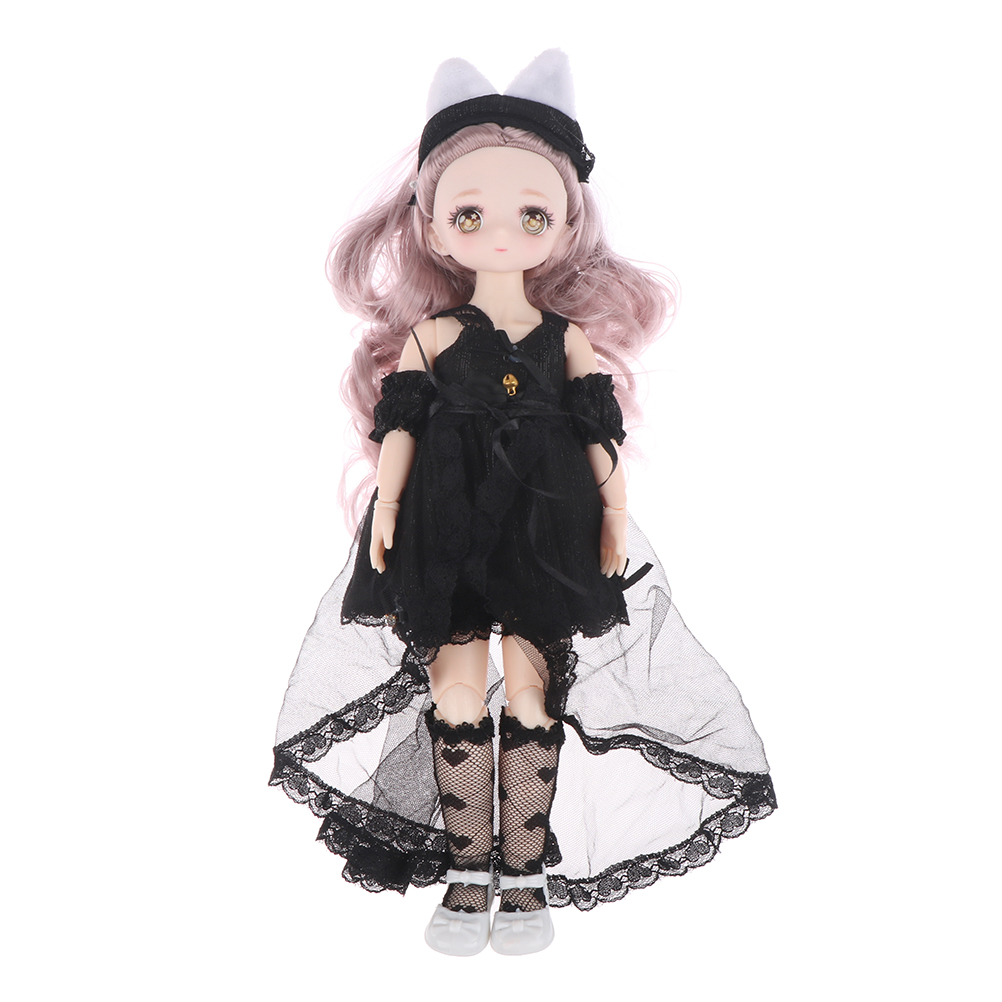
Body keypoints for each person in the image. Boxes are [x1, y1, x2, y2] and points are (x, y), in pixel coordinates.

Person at [271, 50, 776, 957]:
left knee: (536, 692)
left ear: (566, 223)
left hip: (545, 526)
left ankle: (527, 872)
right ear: (431, 225)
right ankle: (470, 872)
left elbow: (598, 437)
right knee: (455, 687)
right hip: (444, 526)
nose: (501, 234)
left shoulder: (565, 340)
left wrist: (613, 516)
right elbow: (401, 431)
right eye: (470, 213)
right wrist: (386, 513)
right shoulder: (431, 336)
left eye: (531, 214)